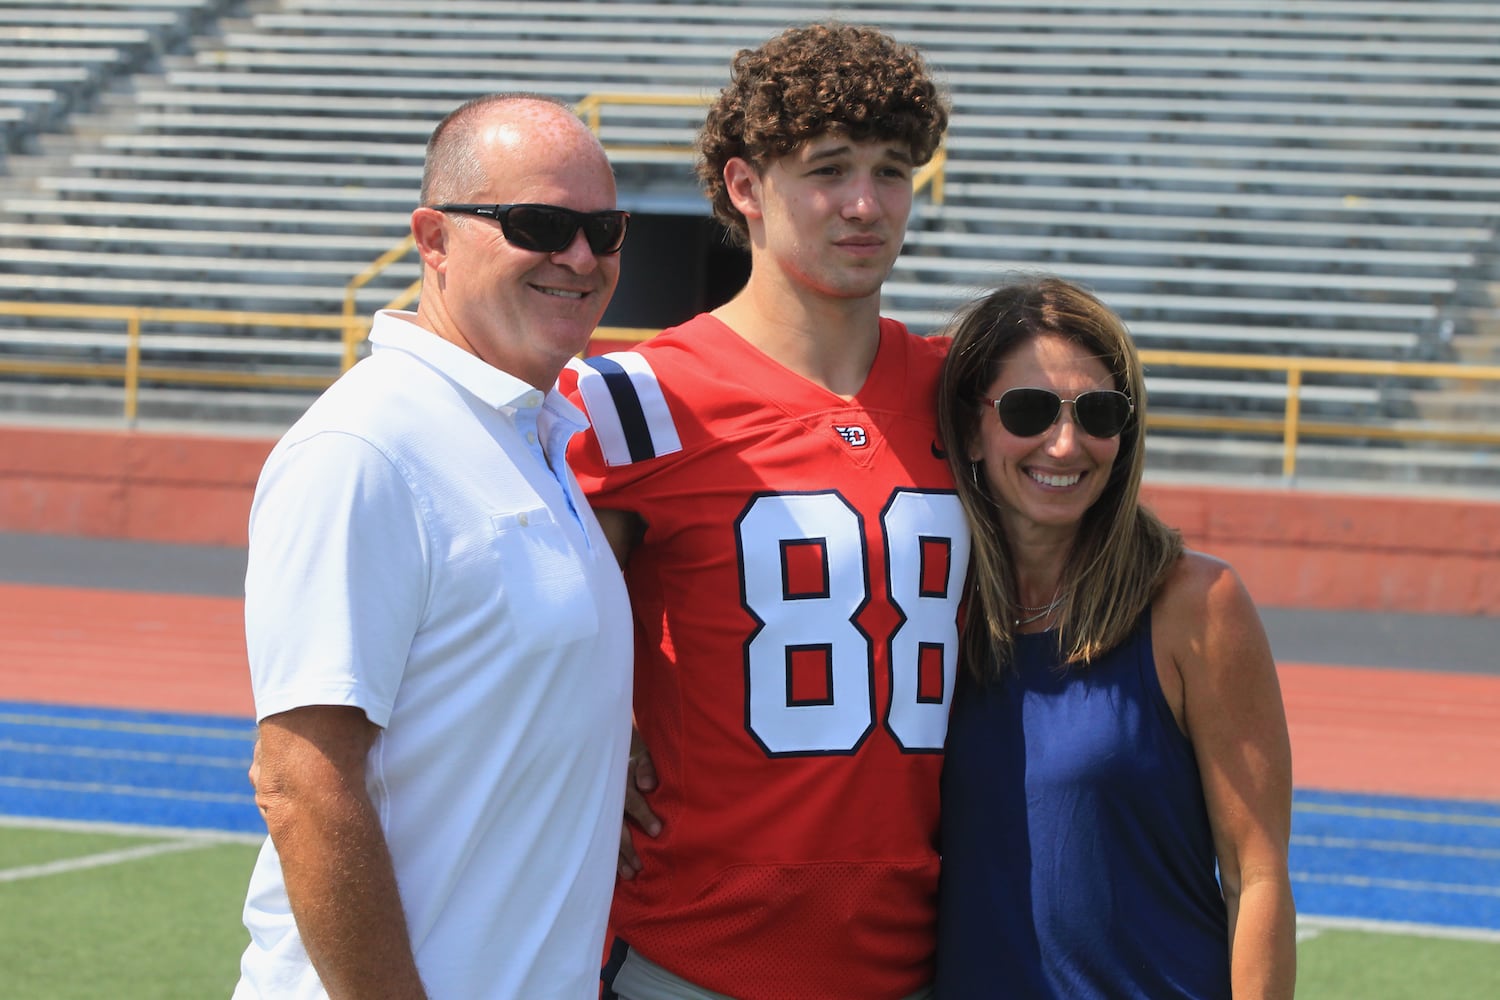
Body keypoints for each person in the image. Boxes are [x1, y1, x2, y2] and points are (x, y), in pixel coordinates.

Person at [559, 22, 964, 1000]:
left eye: (892, 170)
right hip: (690, 959)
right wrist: (569, 743)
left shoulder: (964, 390)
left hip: (920, 961)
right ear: (745, 187)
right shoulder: (634, 399)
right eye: (827, 170)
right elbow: (519, 628)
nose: (865, 204)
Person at [234, 93, 634, 999]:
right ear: (433, 237)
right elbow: (301, 780)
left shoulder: (529, 431)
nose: (579, 256)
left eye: (603, 229)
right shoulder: (368, 446)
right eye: (538, 223)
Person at [934, 275, 1297, 998]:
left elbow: (1256, 877)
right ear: (972, 427)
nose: (1066, 445)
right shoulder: (927, 607)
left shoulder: (1197, 603)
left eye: (1099, 413)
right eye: (1029, 410)